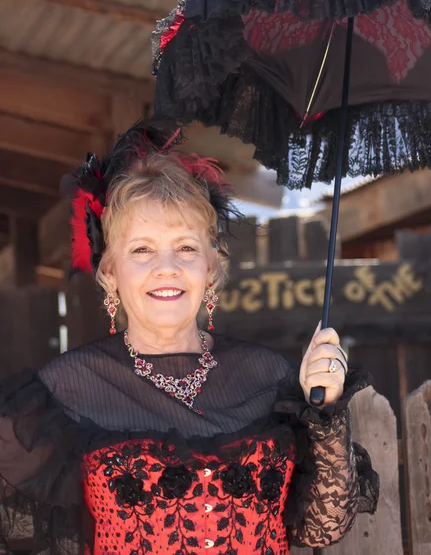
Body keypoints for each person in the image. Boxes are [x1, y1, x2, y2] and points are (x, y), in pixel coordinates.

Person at [0, 120, 378, 555]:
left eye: (185, 247)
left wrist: (326, 409)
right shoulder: (63, 389)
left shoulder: (271, 377)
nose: (167, 267)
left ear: (211, 269)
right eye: (142, 249)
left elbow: (322, 530)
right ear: (110, 273)